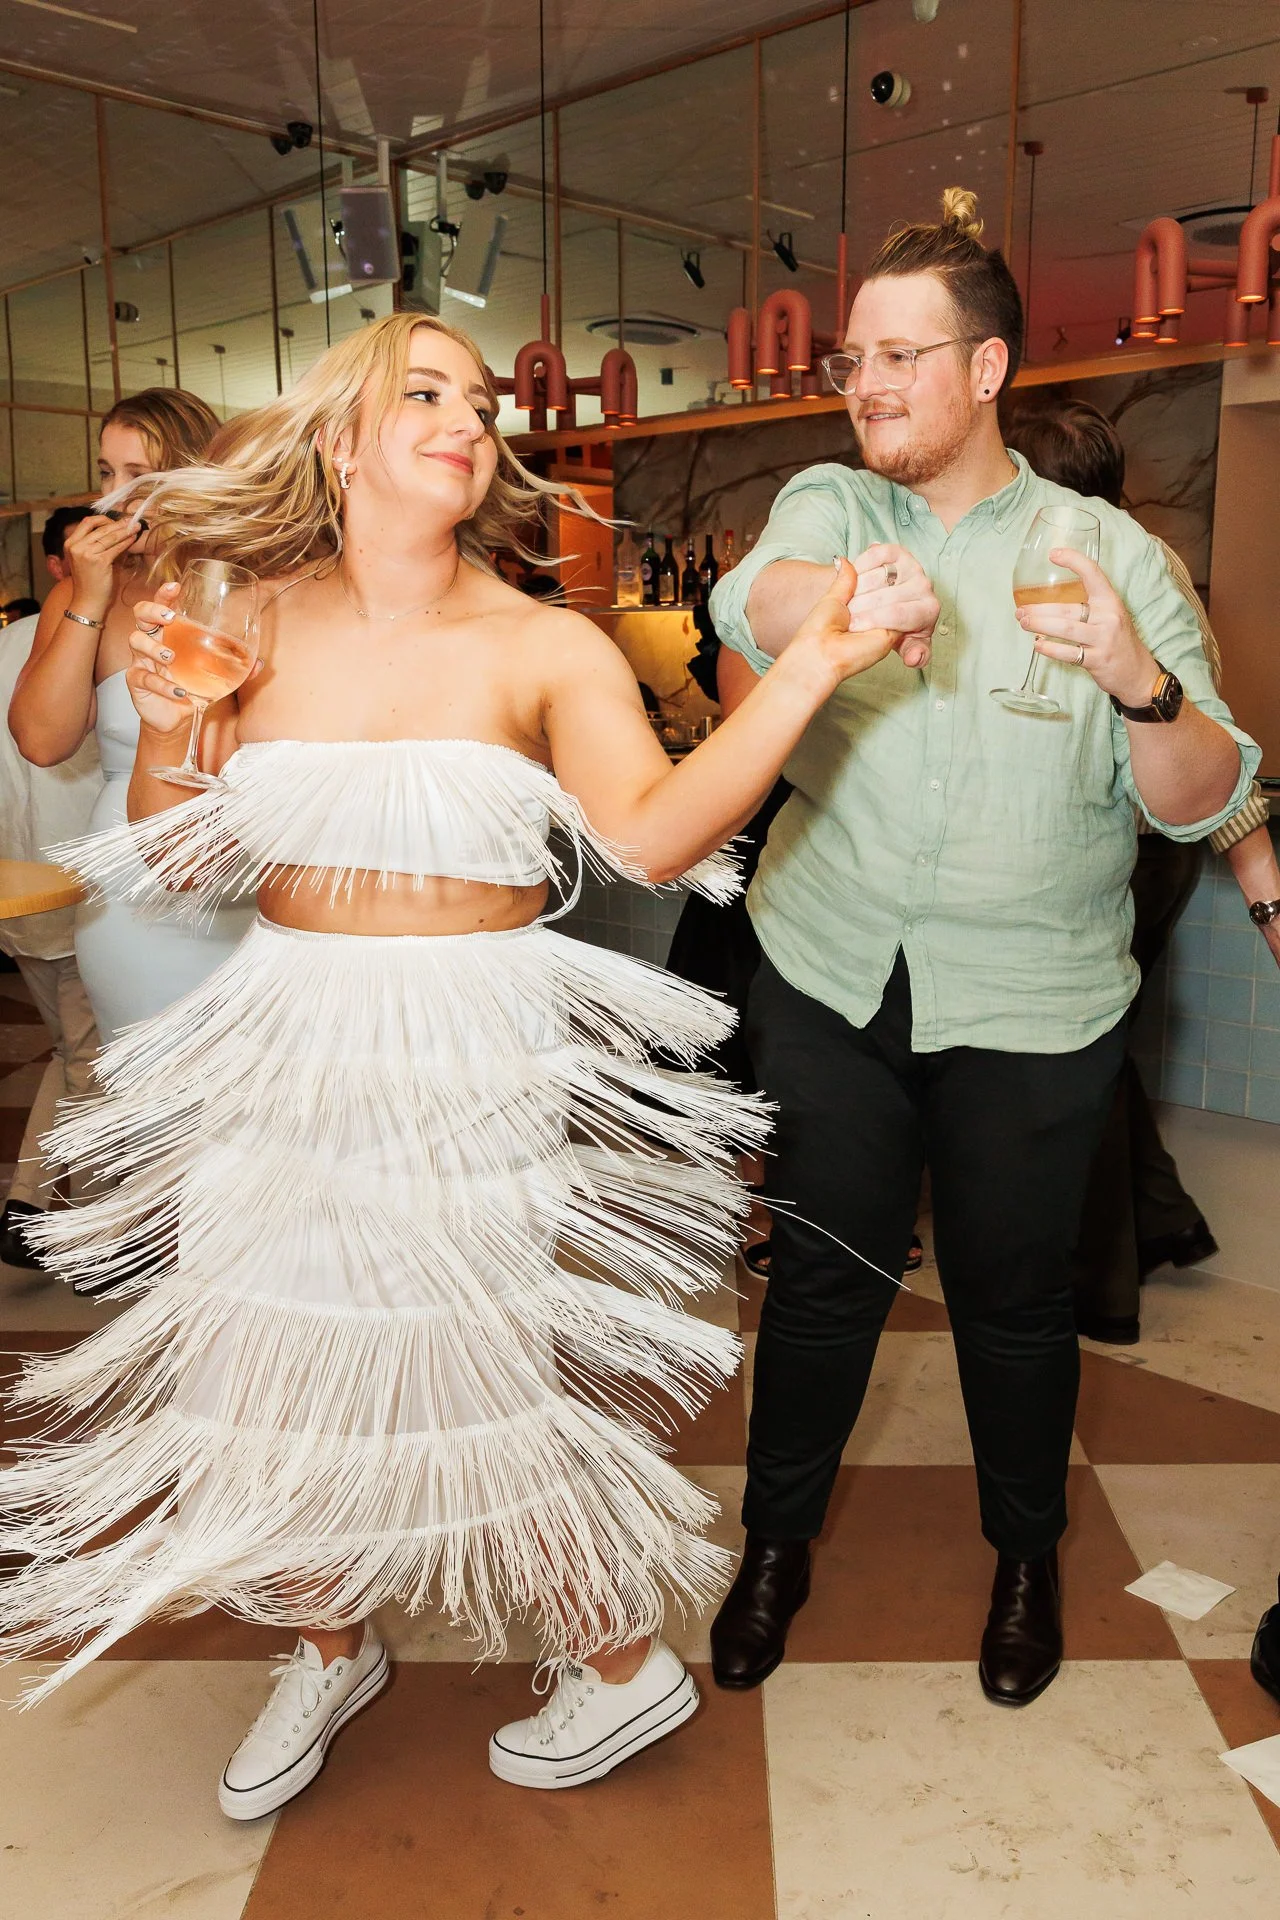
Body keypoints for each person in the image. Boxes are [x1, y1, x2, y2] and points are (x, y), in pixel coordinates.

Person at [0, 311, 936, 1819]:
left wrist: (816, 660)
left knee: (474, 1364)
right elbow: (181, 852)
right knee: (271, 1359)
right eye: (423, 392)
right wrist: (175, 728)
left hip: (469, 1045)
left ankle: (617, 1662)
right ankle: (326, 1640)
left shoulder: (541, 639)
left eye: (480, 398)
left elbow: (651, 837)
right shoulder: (250, 611)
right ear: (343, 438)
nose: (466, 417)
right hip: (290, 1031)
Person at [706, 188, 1259, 1709]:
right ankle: (774, 1547)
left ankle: (1025, 1559)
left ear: (990, 366)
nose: (868, 383)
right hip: (832, 971)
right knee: (822, 1282)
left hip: (1035, 999)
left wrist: (1143, 684)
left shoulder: (1111, 556)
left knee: (1016, 1300)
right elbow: (745, 597)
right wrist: (831, 605)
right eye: (855, 358)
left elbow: (1207, 798)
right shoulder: (837, 506)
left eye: (901, 355)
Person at [1005, 399, 1278, 1341]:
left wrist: (1263, 889)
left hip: (1135, 851)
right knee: (1099, 1054)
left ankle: (1103, 1287)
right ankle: (1157, 1220)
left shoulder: (1126, 565)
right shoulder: (1083, 563)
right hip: (1123, 847)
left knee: (1080, 1051)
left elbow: (1200, 730)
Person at [9, 389, 255, 1047]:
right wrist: (89, 595)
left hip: (249, 864)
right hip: (130, 887)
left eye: (138, 476)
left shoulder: (251, 585)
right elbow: (40, 740)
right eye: (105, 473)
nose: (113, 499)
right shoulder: (86, 592)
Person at [0, 506, 100, 1270]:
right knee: (87, 1058)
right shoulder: (81, 650)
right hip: (81, 887)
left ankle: (36, 1206)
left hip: (21, 891)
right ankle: (43, 1211)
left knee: (79, 1052)